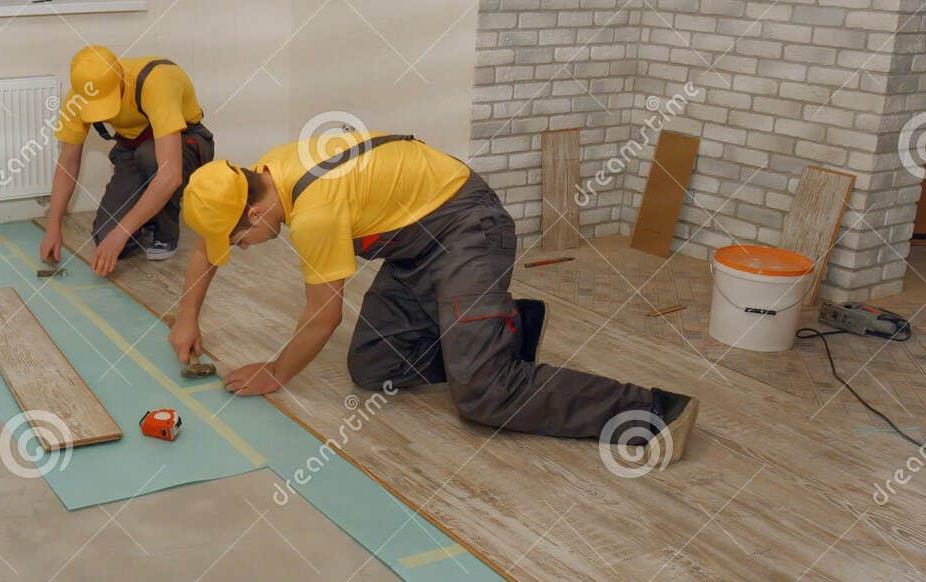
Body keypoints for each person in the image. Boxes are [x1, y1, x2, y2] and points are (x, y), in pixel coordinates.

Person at [170, 131, 698, 463]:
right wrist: (186, 318)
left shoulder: (314, 211)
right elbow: (206, 252)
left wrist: (278, 372)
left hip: (470, 227)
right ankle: (502, 327)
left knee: (483, 395)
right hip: (415, 247)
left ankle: (652, 410)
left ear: (256, 213)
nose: (240, 248)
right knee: (376, 367)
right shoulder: (268, 171)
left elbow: (324, 313)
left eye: (240, 239)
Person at [40, 45, 215, 277]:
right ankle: (145, 216)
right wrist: (53, 227)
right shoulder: (78, 96)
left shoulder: (155, 82)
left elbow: (170, 174)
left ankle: (165, 231)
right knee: (106, 236)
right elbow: (68, 163)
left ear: (121, 77)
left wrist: (122, 233)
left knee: (151, 159)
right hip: (132, 148)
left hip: (186, 142)